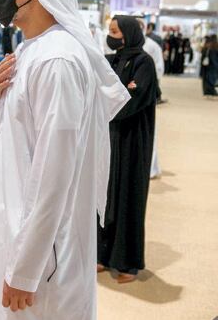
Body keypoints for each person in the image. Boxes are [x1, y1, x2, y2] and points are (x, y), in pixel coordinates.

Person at [0, 0, 130, 319]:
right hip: (12, 224)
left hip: (42, 252)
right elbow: (12, 145)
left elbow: (55, 174)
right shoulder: (30, 51)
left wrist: (26, 268)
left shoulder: (58, 60)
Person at [99, 16, 160, 283]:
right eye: (110, 31)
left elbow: (131, 100)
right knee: (104, 196)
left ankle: (127, 263)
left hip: (133, 141)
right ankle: (101, 255)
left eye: (115, 32)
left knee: (128, 197)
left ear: (130, 34)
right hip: (108, 138)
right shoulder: (110, 60)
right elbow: (101, 92)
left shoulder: (143, 63)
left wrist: (110, 101)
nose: (111, 36)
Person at [138, 17, 165, 179]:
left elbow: (159, 67)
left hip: (147, 93)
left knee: (148, 130)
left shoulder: (152, 46)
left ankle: (150, 168)